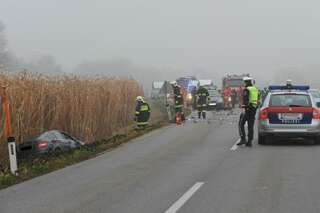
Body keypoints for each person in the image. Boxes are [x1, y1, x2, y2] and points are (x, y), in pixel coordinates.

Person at [237, 77, 260, 147]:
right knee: (250, 125)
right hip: (254, 109)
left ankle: (243, 138)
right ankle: (249, 141)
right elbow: (259, 98)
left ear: (245, 82)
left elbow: (246, 100)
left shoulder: (246, 90)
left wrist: (243, 106)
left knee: (241, 124)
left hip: (247, 109)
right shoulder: (255, 89)